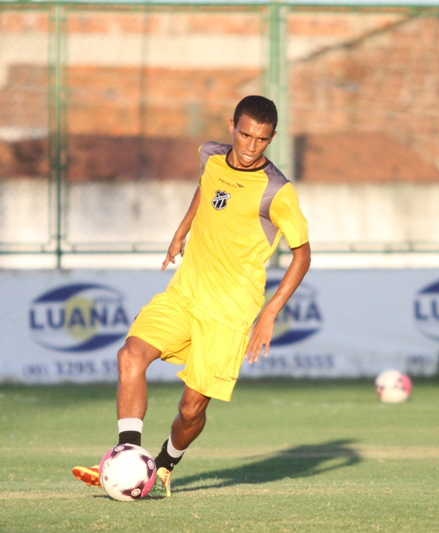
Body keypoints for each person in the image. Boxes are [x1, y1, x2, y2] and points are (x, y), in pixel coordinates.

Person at [72, 95, 311, 497]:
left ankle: (164, 464)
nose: (251, 147)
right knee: (130, 355)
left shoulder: (276, 191)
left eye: (262, 140)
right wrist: (182, 230)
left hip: (230, 314)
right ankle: (128, 455)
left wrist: (269, 314)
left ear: (272, 138)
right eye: (245, 134)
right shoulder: (211, 156)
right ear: (232, 124)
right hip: (185, 293)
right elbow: (207, 189)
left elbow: (302, 257)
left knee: (190, 410)